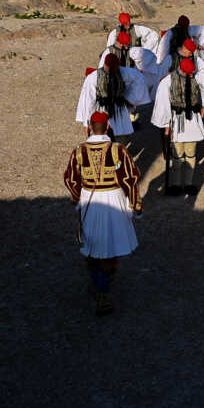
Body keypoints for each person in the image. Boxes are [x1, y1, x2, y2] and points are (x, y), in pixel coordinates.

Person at [63, 111, 142, 316]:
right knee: (112, 246)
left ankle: (99, 284)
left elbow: (70, 178)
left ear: (89, 126)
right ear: (108, 127)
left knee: (93, 245)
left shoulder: (79, 151)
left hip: (90, 200)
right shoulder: (118, 150)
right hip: (114, 199)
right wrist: (136, 205)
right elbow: (131, 178)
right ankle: (104, 290)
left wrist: (76, 198)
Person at [151, 57, 204, 197]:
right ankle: (176, 184)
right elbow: (163, 104)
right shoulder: (167, 81)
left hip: (192, 121)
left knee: (191, 154)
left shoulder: (197, 76)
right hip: (176, 120)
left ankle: (188, 183)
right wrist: (166, 125)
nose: (192, 75)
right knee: (177, 156)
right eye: (189, 73)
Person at [76, 53, 151, 142]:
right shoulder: (93, 77)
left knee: (120, 139)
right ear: (105, 64)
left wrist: (130, 98)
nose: (112, 70)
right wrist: (87, 123)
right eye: (109, 67)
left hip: (119, 110)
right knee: (103, 139)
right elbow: (89, 101)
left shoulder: (123, 72)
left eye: (114, 68)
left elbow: (139, 79)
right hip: (102, 110)